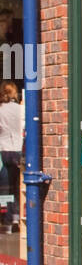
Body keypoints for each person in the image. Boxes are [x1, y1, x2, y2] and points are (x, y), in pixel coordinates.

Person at [0, 82, 24, 233]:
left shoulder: (1, 109)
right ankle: (17, 216)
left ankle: (8, 220)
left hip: (5, 150)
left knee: (6, 187)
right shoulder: (21, 109)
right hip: (19, 149)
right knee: (18, 186)